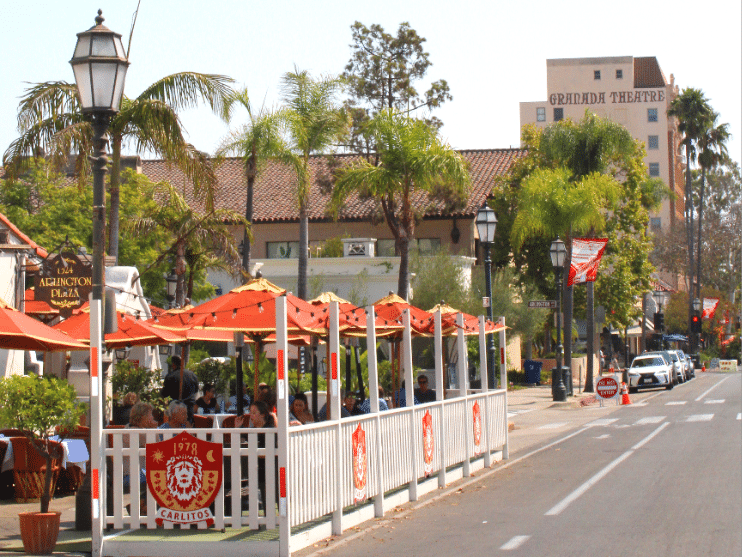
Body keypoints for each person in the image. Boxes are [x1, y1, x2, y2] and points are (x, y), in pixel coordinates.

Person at [161, 355, 199, 423]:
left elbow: (164, 394)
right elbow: (196, 390)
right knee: (187, 430)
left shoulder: (170, 376)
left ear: (173, 364)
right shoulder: (192, 375)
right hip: (189, 408)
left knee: (175, 431)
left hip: (176, 408)